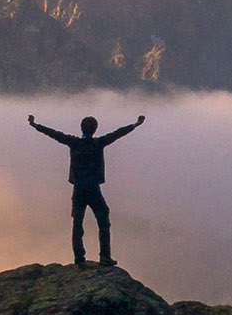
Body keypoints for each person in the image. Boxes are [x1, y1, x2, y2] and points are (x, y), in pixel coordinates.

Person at [25, 111, 145, 266]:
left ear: (81, 128)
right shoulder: (98, 143)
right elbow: (117, 134)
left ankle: (79, 258)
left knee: (77, 223)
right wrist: (135, 124)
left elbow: (53, 134)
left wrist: (35, 125)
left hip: (79, 189)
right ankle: (105, 257)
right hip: (93, 189)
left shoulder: (74, 142)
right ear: (95, 129)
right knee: (103, 221)